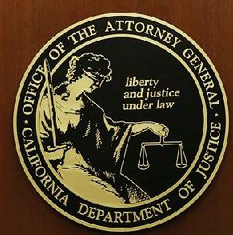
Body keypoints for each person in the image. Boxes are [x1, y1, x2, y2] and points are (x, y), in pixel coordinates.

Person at [38, 53, 168, 204]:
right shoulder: (49, 105)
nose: (98, 85)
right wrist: (60, 153)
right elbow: (38, 150)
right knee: (117, 203)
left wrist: (147, 126)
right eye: (96, 79)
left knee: (142, 200)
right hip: (69, 170)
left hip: (96, 168)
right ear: (81, 73)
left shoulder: (92, 110)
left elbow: (116, 131)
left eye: (101, 80)